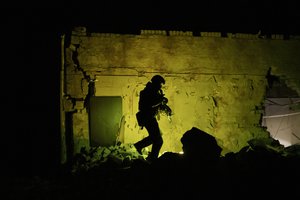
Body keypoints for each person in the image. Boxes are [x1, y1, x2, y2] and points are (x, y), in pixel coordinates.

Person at [134, 75, 172, 163]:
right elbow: (143, 106)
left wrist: (165, 108)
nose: (160, 87)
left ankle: (138, 146)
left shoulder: (156, 92)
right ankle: (152, 159)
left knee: (155, 138)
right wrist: (160, 100)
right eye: (159, 84)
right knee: (158, 140)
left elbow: (158, 104)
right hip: (147, 117)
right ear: (155, 83)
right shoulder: (145, 92)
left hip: (150, 117)